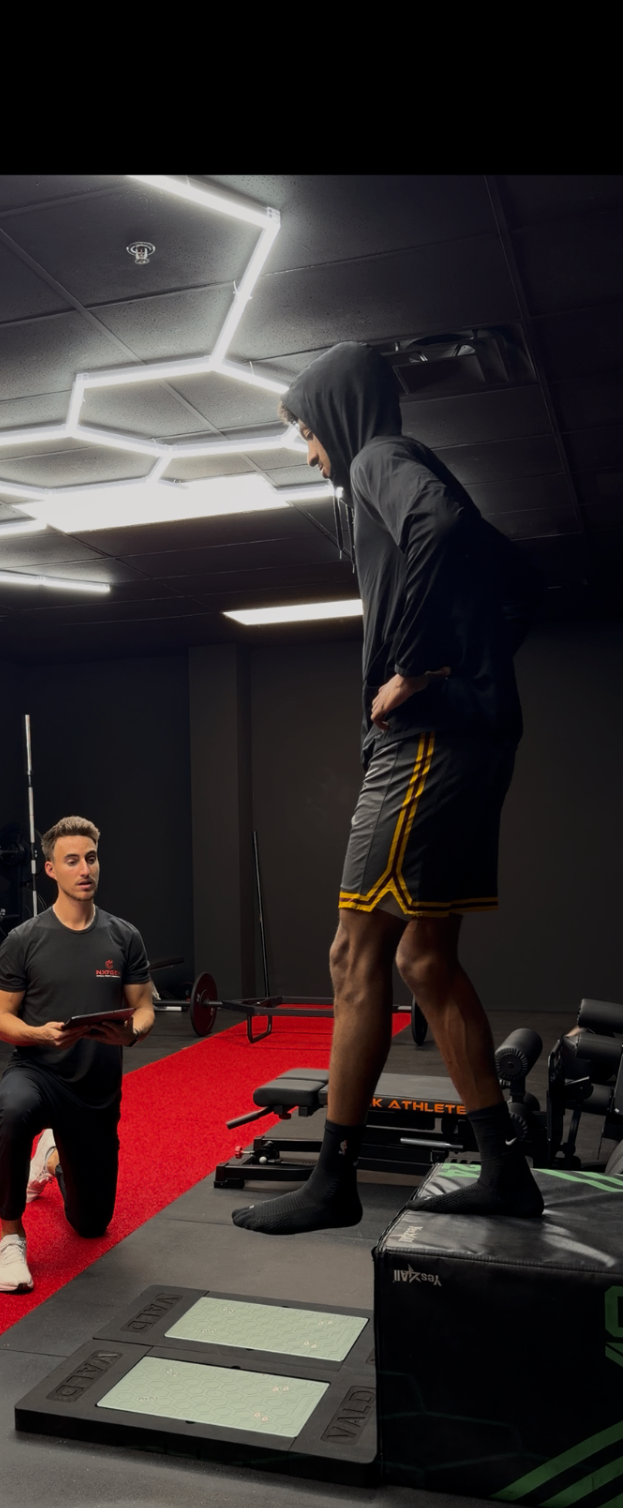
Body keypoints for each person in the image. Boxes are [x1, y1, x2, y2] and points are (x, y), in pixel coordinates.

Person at [233, 341, 543, 1239]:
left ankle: (331, 1183)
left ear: (333, 414)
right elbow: (522, 587)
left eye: (301, 430)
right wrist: (473, 671)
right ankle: (504, 1172)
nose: (305, 449)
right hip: (464, 737)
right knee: (422, 960)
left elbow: (438, 529)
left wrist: (414, 672)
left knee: (352, 956)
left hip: (422, 743)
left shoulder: (379, 459)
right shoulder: (400, 465)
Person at [0, 815, 154, 1291]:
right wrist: (39, 1034)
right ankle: (10, 1237)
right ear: (50, 870)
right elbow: (1, 1019)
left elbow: (144, 1008)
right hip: (37, 1072)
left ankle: (53, 1156)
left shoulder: (124, 937)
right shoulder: (24, 940)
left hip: (95, 1091)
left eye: (92, 858)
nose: (85, 869)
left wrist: (131, 1036)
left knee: (91, 1224)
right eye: (73, 860)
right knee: (13, 1109)